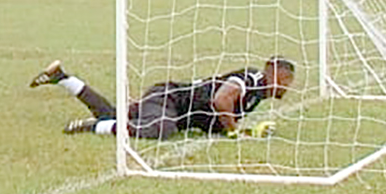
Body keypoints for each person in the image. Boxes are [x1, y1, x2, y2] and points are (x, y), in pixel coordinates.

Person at [29, 57, 294, 138]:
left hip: (171, 102)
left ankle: (62, 78)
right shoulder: (253, 79)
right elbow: (220, 101)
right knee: (161, 130)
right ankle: (91, 127)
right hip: (169, 99)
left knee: (115, 115)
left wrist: (245, 132)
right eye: (287, 81)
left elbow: (220, 117)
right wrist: (235, 132)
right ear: (274, 74)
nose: (287, 87)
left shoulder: (257, 94)